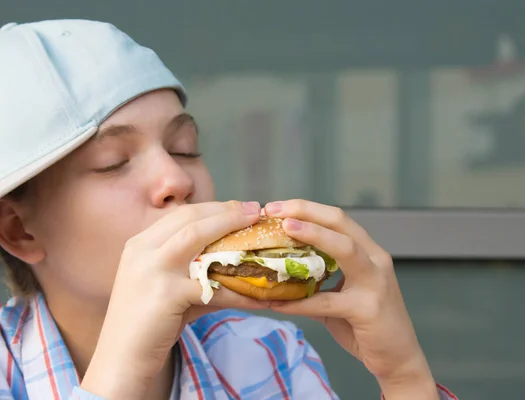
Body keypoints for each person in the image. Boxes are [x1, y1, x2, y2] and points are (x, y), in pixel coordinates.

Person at [0, 19, 458, 399]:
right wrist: (120, 378)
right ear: (20, 231)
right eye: (113, 163)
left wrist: (403, 376)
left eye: (184, 149)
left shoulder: (266, 351)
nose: (178, 181)